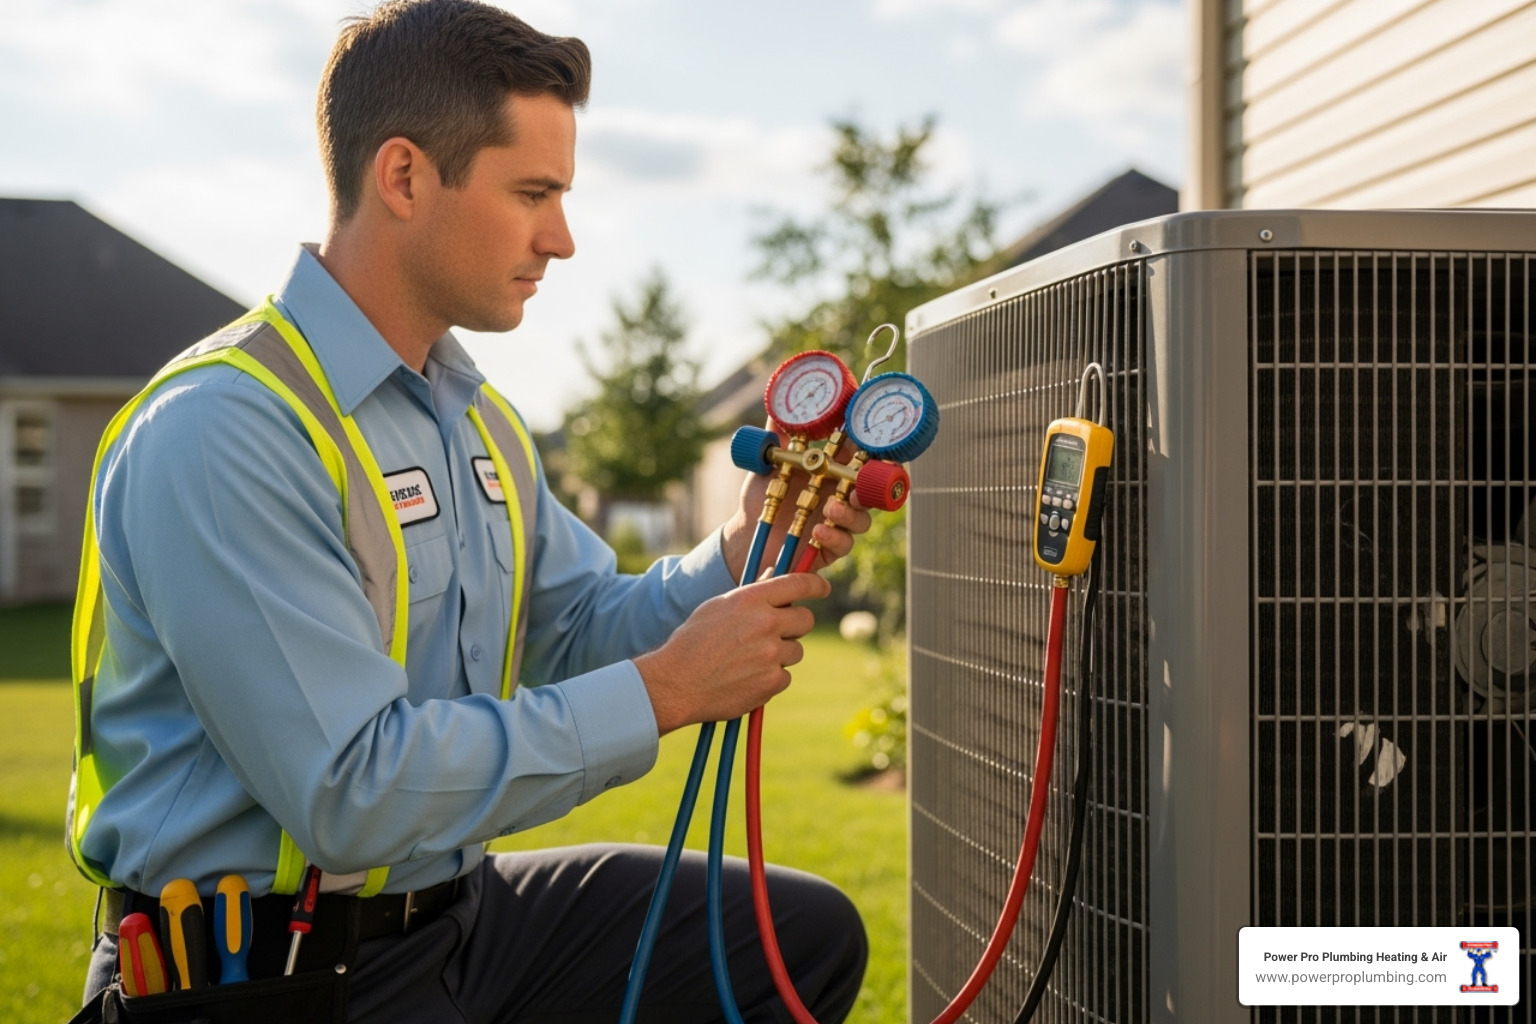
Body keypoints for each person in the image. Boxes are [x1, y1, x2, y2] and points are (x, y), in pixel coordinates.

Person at [72, 2, 871, 1020]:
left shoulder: (480, 418)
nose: (564, 237)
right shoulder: (227, 430)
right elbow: (352, 792)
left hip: (458, 919)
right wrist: (666, 690)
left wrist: (741, 541)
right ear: (403, 177)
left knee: (794, 940)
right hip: (267, 971)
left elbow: (577, 626)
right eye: (532, 192)